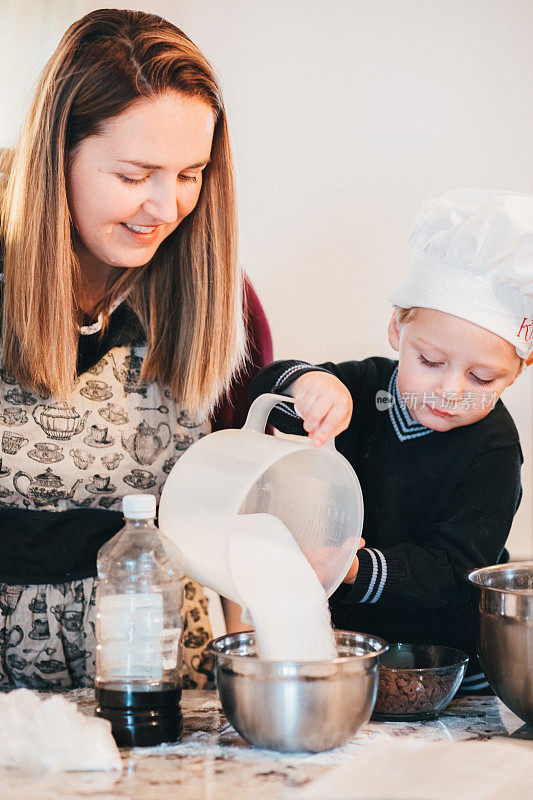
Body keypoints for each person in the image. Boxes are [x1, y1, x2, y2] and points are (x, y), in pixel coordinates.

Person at [0, 9, 272, 691]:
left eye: (190, 173)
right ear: (56, 152)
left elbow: (243, 505)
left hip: (165, 687)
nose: (164, 206)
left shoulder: (211, 297)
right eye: (133, 174)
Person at [250, 189, 533, 693]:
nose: (451, 392)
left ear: (518, 370)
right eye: (430, 362)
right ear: (395, 329)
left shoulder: (493, 449)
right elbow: (265, 383)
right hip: (342, 649)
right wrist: (307, 384)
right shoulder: (360, 389)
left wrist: (353, 567)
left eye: (483, 379)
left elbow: (454, 570)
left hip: (447, 666)